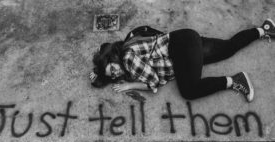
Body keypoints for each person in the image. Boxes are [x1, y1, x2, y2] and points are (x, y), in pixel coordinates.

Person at [90, 19, 275, 102]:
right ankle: (264, 29)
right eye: (112, 76)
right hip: (184, 39)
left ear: (113, 58)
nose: (115, 73)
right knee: (227, 49)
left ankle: (235, 81)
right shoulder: (123, 50)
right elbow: (106, 55)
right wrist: (100, 73)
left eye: (112, 68)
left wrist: (130, 87)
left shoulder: (128, 59)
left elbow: (153, 83)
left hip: (181, 50)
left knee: (189, 90)